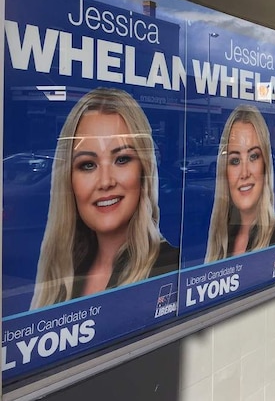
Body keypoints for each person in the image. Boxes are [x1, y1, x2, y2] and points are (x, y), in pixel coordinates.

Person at [31, 87, 178, 309]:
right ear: (69, 179)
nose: (106, 181)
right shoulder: (63, 274)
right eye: (88, 165)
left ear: (143, 170)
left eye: (121, 159)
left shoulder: (170, 266)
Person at [205, 105, 275, 262]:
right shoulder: (221, 236)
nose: (245, 173)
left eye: (253, 156)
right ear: (225, 170)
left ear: (265, 163)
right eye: (235, 160)